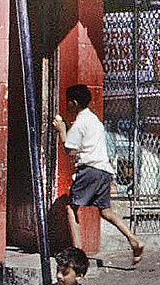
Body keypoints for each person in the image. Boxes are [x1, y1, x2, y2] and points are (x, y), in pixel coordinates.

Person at [53, 84, 144, 265]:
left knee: (70, 207)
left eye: (69, 102)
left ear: (75, 103)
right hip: (104, 171)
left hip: (90, 170)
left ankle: (77, 254)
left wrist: (62, 131)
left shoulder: (80, 123)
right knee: (106, 212)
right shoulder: (94, 120)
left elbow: (69, 151)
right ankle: (133, 239)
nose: (67, 105)